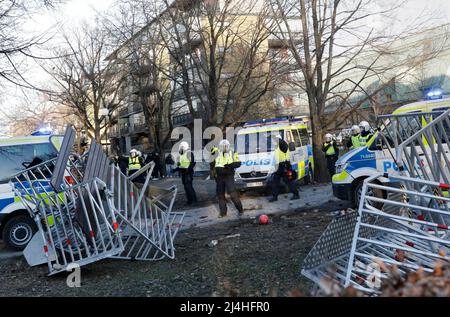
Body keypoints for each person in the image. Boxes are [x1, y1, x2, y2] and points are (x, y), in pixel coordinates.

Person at [214, 139, 243, 217]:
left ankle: (240, 210)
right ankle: (223, 213)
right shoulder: (217, 152)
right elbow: (212, 150)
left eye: (225, 146)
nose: (224, 148)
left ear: (228, 146)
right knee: (220, 195)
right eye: (222, 146)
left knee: (233, 193)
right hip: (219, 176)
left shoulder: (233, 153)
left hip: (228, 175)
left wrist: (230, 165)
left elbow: (239, 163)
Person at [269, 135, 299, 202]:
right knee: (275, 182)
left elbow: (281, 142)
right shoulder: (276, 147)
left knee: (289, 181)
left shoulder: (283, 145)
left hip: (285, 166)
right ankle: (274, 197)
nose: (274, 141)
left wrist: (275, 137)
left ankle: (296, 194)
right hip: (279, 166)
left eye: (275, 140)